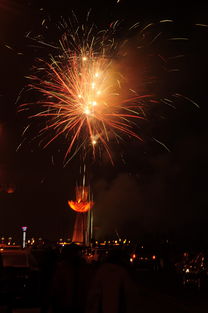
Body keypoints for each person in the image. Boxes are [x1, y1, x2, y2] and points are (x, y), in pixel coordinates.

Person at [86, 248, 139, 313]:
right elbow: (130, 294)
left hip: (102, 308)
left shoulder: (102, 270)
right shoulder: (123, 272)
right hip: (119, 308)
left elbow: (94, 292)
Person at [48, 243, 92, 313]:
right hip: (73, 304)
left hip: (69, 304)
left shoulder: (62, 268)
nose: (77, 254)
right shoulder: (84, 268)